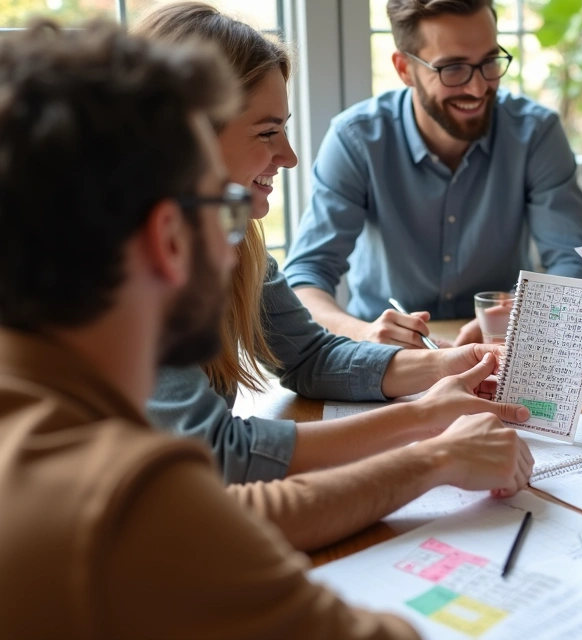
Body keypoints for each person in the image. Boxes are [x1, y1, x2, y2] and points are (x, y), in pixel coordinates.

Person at [0, 19, 428, 637]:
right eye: (220, 211)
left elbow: (221, 508)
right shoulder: (124, 492)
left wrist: (427, 451)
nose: (237, 247)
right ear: (167, 238)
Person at [134, 2, 533, 552]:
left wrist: (437, 365)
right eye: (268, 131)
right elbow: (221, 456)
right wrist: (422, 422)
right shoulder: (133, 267)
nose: (290, 156)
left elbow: (307, 356)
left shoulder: (234, 240)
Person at [283, 0, 582, 348]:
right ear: (405, 69)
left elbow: (575, 264)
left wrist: (521, 318)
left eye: (489, 62)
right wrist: (363, 332)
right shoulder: (356, 139)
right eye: (453, 69)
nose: (478, 89)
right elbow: (305, 278)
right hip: (388, 356)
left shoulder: (536, 133)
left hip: (498, 348)